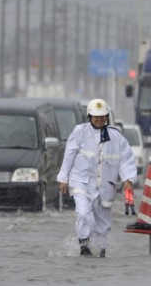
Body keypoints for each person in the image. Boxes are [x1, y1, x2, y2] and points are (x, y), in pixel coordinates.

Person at [57, 98, 137, 257]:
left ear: (107, 117)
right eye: (96, 117)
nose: (99, 120)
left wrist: (128, 179)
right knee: (83, 212)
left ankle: (101, 250)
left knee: (103, 222)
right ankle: (84, 244)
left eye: (102, 117)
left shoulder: (116, 137)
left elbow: (126, 159)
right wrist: (63, 178)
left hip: (105, 185)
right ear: (89, 117)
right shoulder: (80, 132)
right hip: (81, 182)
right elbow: (69, 155)